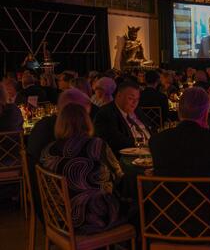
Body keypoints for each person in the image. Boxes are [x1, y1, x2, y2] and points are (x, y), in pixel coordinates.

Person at [149, 87, 210, 245]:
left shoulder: (157, 141)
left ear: (179, 111)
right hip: (208, 221)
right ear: (206, 113)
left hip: (165, 219)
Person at [39, 103, 125, 234]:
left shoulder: (48, 150)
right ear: (87, 122)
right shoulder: (96, 145)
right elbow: (118, 175)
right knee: (137, 207)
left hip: (58, 219)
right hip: (92, 219)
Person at [26, 88, 92, 221]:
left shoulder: (42, 126)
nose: (86, 118)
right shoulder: (64, 141)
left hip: (45, 203)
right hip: (71, 213)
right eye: (84, 113)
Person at [94, 81, 152, 156]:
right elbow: (115, 140)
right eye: (131, 98)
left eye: (137, 99)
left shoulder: (137, 110)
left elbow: (150, 129)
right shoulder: (105, 114)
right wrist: (143, 142)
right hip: (130, 156)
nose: (135, 102)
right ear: (119, 95)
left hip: (151, 151)